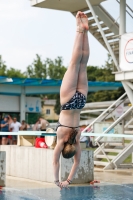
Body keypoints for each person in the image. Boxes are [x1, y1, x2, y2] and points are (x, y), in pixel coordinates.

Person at [53, 11, 89, 189]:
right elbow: (55, 163)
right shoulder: (61, 139)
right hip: (67, 102)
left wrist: (69, 180)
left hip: (80, 102)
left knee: (83, 64)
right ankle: (78, 30)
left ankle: (85, 32)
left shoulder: (77, 138)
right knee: (74, 63)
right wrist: (58, 181)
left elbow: (77, 162)